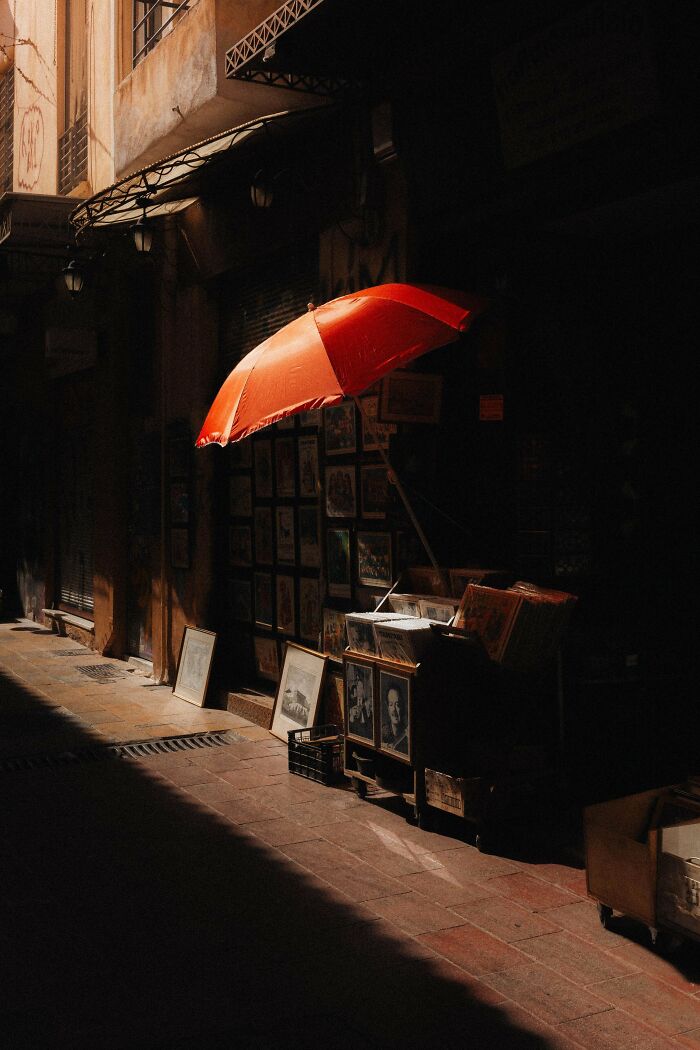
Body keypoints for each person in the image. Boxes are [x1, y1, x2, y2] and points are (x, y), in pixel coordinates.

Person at [382, 685, 408, 753]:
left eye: (397, 704)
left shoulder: (407, 734)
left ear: (402, 707)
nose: (394, 709)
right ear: (388, 708)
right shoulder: (382, 732)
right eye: (391, 704)